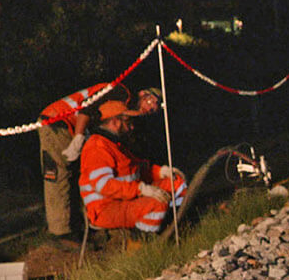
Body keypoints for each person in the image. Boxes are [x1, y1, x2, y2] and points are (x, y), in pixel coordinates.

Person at [37, 84, 162, 244]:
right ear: (143, 93)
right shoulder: (120, 91)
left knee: (85, 175)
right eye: (151, 102)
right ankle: (61, 234)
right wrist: (79, 137)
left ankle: (84, 224)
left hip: (71, 125)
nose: (150, 108)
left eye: (154, 110)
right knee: (59, 174)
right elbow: (87, 108)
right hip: (58, 121)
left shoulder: (122, 106)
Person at [78, 99, 184, 235]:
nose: (132, 127)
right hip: (106, 209)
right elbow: (104, 186)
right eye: (128, 122)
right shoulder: (97, 147)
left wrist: (161, 172)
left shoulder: (115, 145)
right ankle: (143, 242)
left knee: (176, 183)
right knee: (156, 203)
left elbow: (137, 170)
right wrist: (140, 189)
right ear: (115, 122)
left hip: (126, 200)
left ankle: (179, 222)